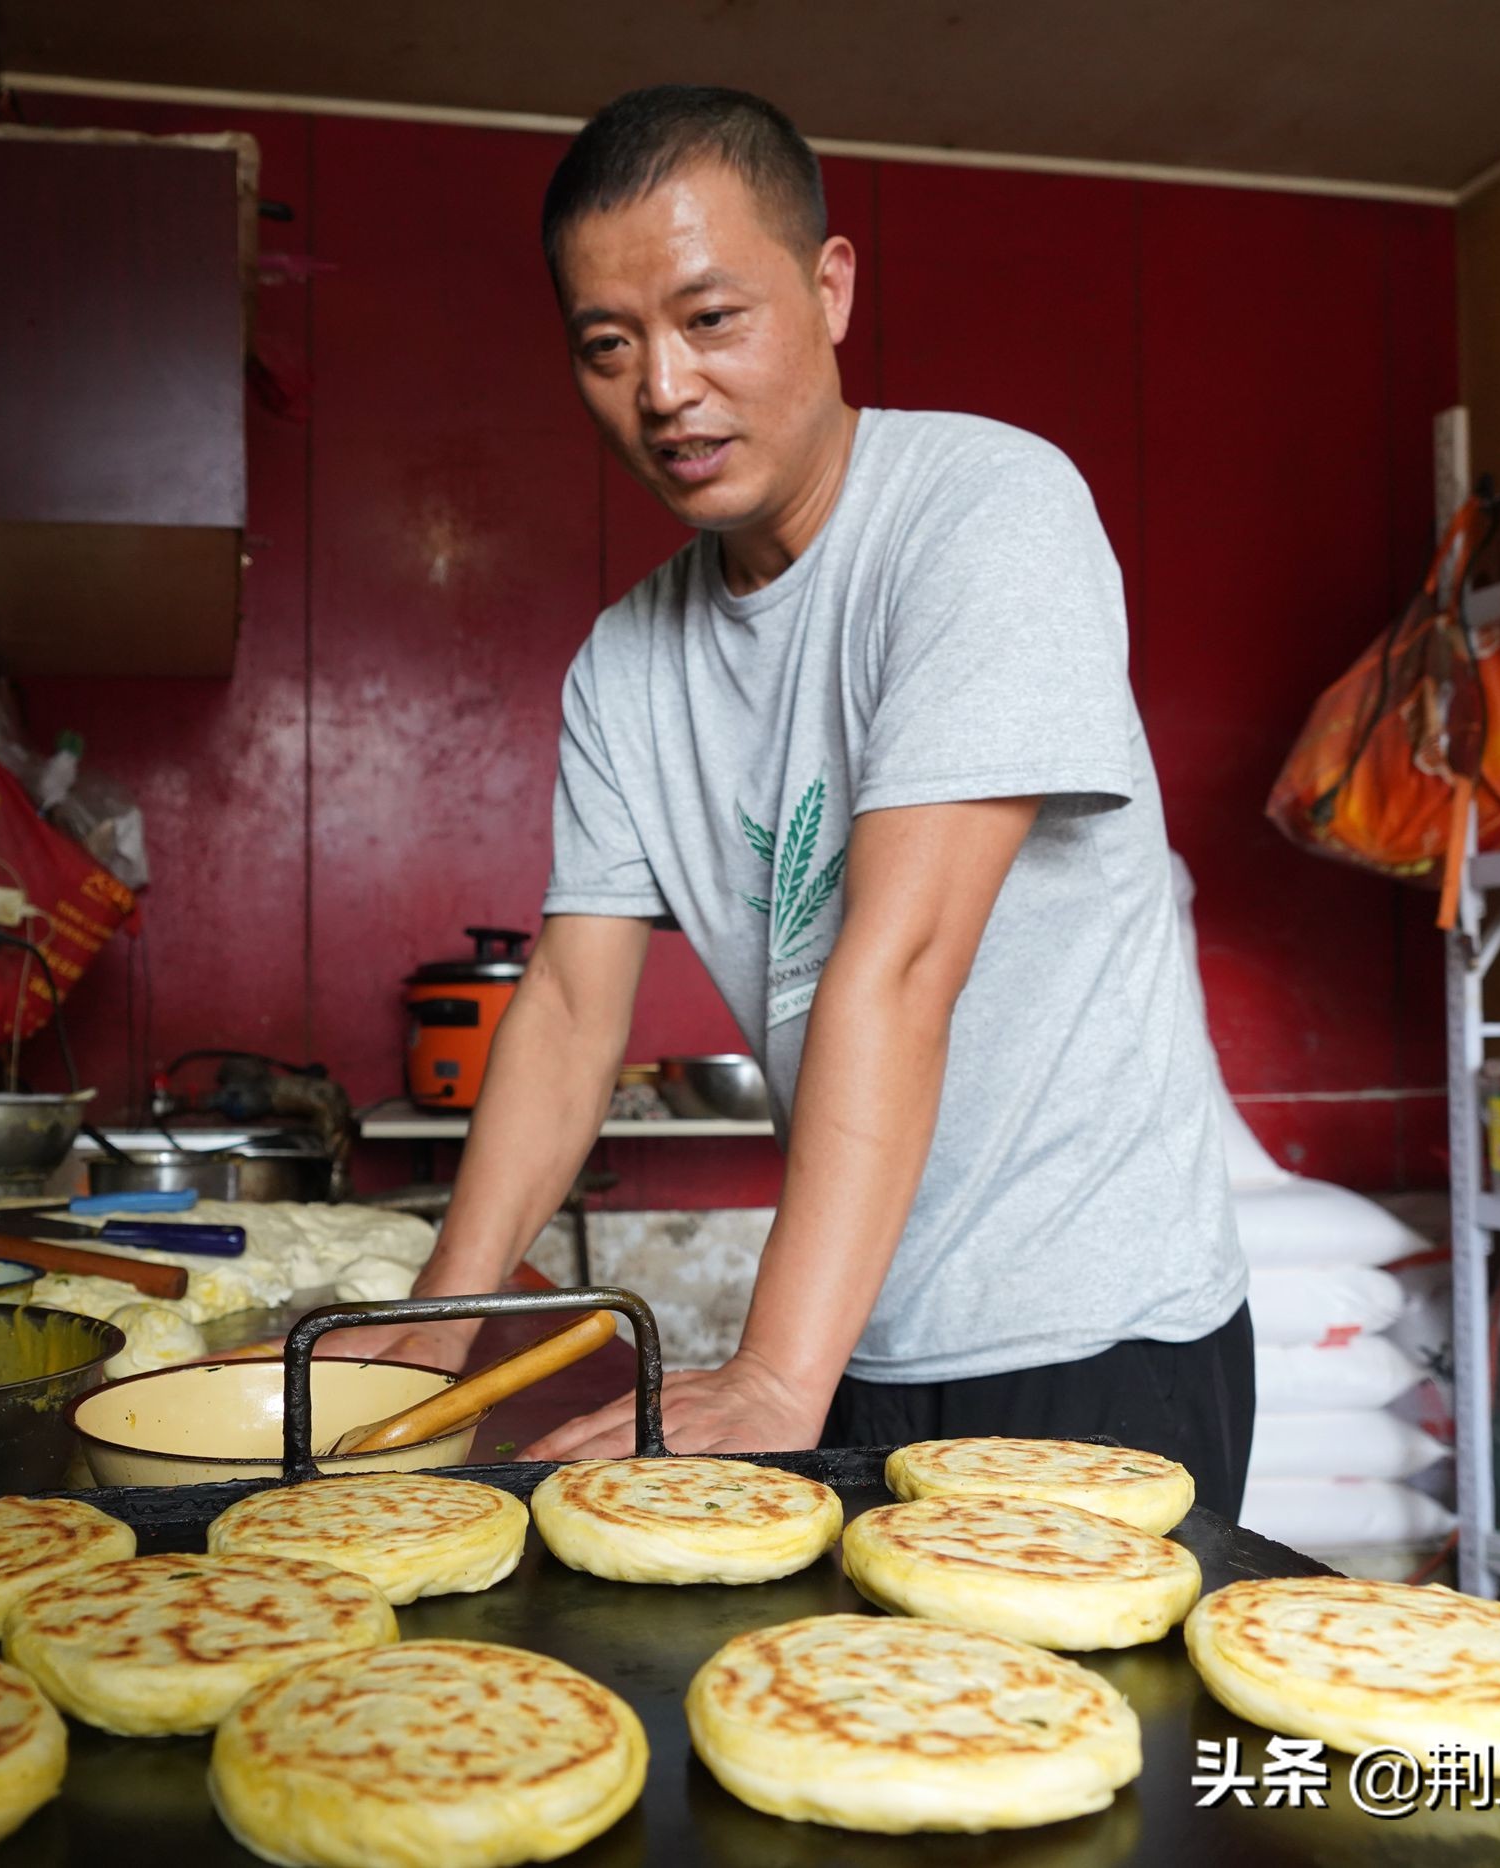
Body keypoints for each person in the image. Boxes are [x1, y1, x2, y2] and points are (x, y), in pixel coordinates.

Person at [342, 85, 1254, 1515]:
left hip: (1089, 1336)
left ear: (829, 288)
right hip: (858, 1329)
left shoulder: (984, 515)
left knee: (1067, 1743)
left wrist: (771, 1374)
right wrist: (456, 1317)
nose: (664, 389)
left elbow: (896, 964)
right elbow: (575, 1011)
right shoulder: (625, 665)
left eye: (712, 319)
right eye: (608, 344)